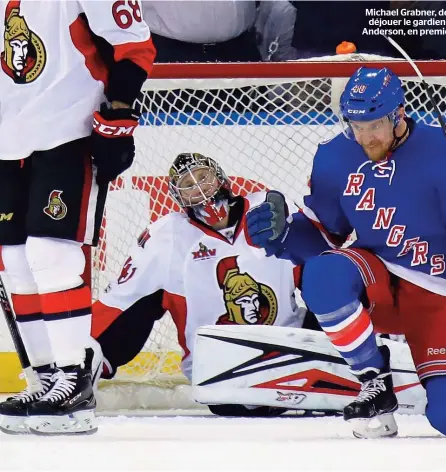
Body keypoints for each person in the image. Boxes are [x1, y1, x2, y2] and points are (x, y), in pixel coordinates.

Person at [246, 67, 446, 438]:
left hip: (443, 289)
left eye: (374, 125)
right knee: (322, 274)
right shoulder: (335, 156)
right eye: (355, 125)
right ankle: (374, 382)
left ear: (399, 114)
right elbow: (325, 235)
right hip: (377, 274)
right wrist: (283, 235)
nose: (364, 136)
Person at [0, 0, 155, 435]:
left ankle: (74, 379)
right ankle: (46, 376)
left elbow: (135, 47)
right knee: (14, 260)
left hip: (69, 128)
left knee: (52, 254)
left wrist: (119, 111)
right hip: (5, 138)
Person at [90, 153, 312, 417]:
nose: (199, 188)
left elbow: (318, 260)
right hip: (219, 373)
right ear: (179, 198)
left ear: (220, 177)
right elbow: (121, 298)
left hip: (294, 351)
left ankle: (364, 359)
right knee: (143, 299)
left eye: (203, 177)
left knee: (327, 274)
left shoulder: (267, 211)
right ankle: (83, 371)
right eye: (187, 185)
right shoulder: (169, 236)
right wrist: (75, 353)